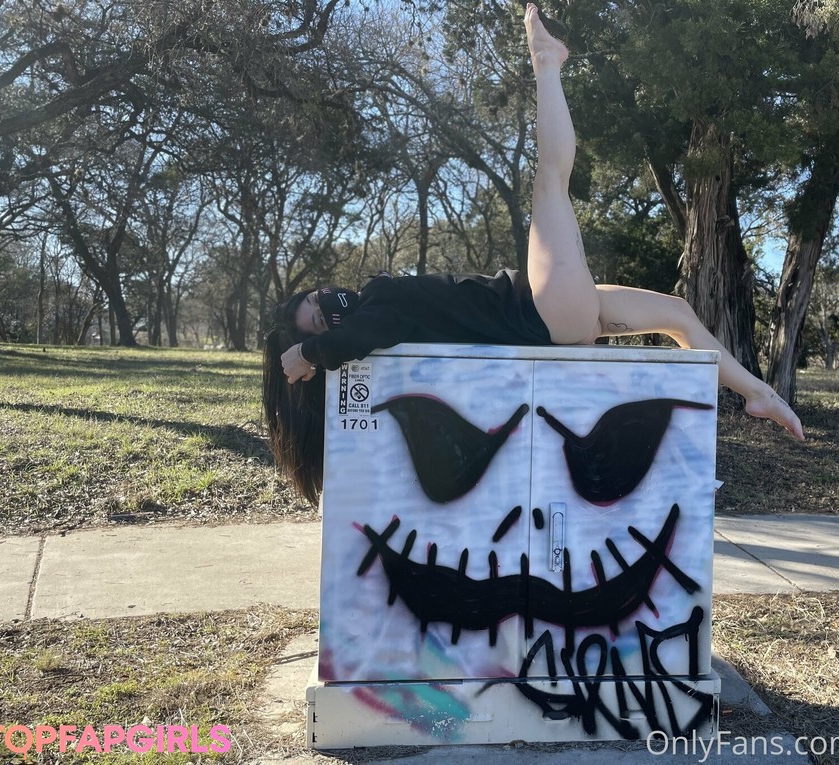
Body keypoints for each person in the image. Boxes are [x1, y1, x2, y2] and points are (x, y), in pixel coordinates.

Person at [263, 4, 804, 504]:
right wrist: (309, 353)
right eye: (320, 317)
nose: (326, 302)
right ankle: (546, 62)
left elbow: (351, 338)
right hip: (539, 310)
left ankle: (759, 395)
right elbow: (355, 339)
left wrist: (311, 348)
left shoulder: (376, 311)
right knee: (550, 181)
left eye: (314, 297)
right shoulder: (375, 317)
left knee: (676, 313)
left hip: (552, 314)